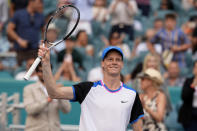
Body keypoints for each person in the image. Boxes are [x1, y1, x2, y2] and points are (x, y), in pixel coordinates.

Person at [38, 45, 144, 131]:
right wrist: (46, 64)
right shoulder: (87, 89)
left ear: (122, 64)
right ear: (102, 64)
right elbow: (54, 93)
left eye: (118, 60)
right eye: (110, 59)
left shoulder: (132, 95)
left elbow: (138, 129)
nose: (114, 62)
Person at [23, 63, 71, 131]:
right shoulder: (29, 89)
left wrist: (59, 95)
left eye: (46, 71)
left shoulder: (57, 88)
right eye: (41, 71)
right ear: (36, 73)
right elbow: (30, 110)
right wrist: (47, 100)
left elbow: (66, 110)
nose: (43, 73)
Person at [7, 0, 44, 66]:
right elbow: (9, 29)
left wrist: (42, 44)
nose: (40, 5)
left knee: (35, 71)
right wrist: (19, 40)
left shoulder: (40, 16)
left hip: (35, 50)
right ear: (31, 2)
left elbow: (44, 31)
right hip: (21, 51)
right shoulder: (18, 14)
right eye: (38, 3)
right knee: (21, 72)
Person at [178, 60, 197, 131]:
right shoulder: (188, 81)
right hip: (190, 113)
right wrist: (193, 85)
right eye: (196, 67)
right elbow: (184, 97)